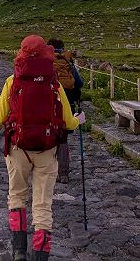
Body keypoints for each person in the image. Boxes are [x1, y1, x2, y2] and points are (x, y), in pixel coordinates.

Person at [0, 35, 85, 261]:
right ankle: (41, 253)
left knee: (17, 196)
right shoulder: (54, 83)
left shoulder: (12, 81)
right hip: (47, 151)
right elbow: (69, 122)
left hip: (17, 149)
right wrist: (80, 119)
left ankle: (19, 251)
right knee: (43, 204)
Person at [47, 38, 84, 183]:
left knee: (48, 136)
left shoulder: (46, 62)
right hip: (67, 105)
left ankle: (48, 170)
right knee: (63, 139)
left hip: (49, 105)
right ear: (62, 48)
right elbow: (79, 83)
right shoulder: (67, 62)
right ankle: (63, 173)